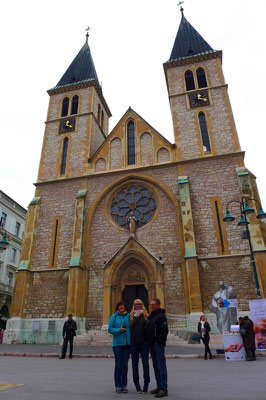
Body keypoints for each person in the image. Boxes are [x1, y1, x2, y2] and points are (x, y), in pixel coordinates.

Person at [147, 298, 168, 398]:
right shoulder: (152, 316)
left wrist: (158, 342)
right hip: (153, 345)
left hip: (158, 345)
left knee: (161, 366)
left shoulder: (161, 316)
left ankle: (164, 388)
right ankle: (159, 386)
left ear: (159, 305)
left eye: (153, 304)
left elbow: (164, 331)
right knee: (156, 366)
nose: (151, 306)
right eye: (151, 305)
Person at [108, 301, 131, 394]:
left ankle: (124, 385)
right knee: (118, 365)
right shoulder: (114, 316)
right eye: (120, 306)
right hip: (117, 344)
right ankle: (118, 385)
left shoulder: (129, 316)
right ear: (117, 307)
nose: (121, 307)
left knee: (125, 365)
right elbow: (110, 329)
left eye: (123, 305)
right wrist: (119, 330)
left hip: (127, 344)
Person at [130, 299, 150, 394]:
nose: (138, 306)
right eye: (136, 304)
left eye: (139, 304)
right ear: (134, 305)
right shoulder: (130, 317)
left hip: (144, 344)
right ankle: (137, 386)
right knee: (134, 365)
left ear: (142, 305)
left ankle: (146, 385)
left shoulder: (146, 316)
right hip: (134, 344)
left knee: (145, 365)